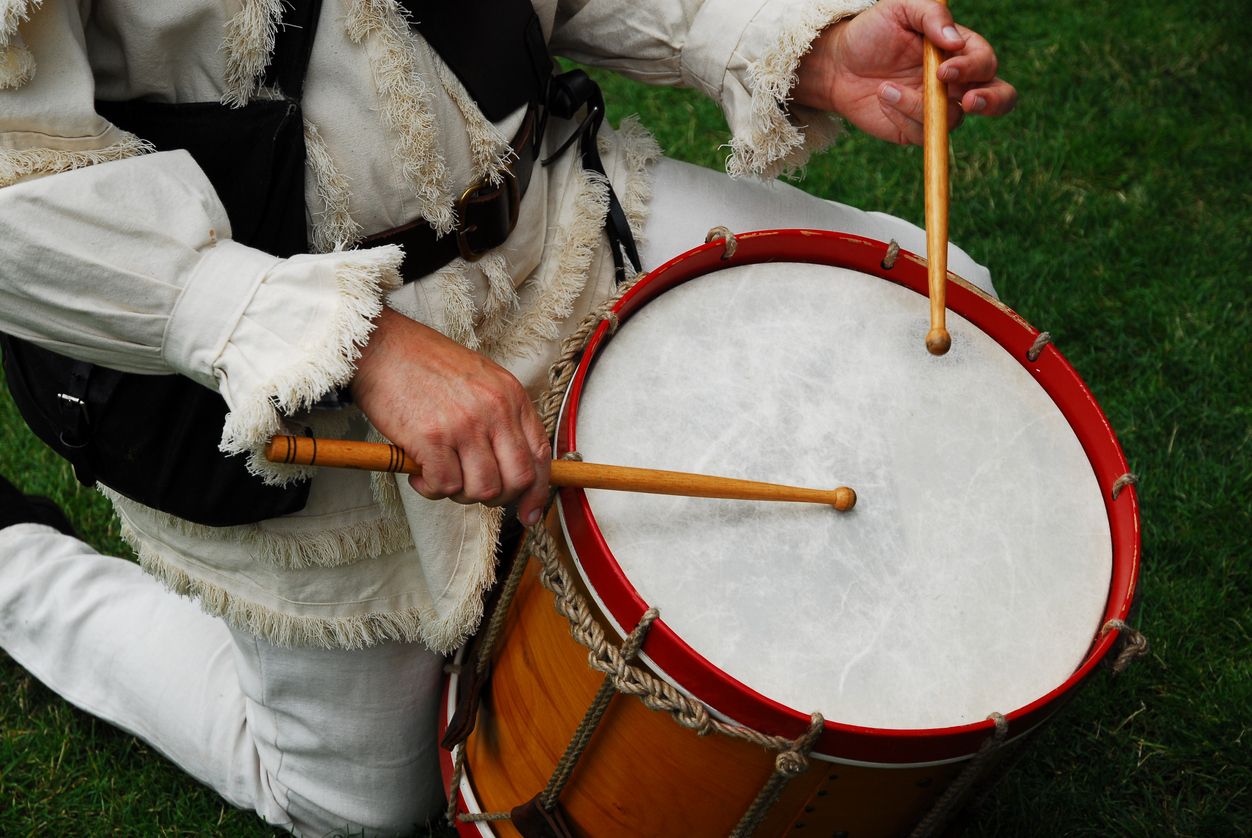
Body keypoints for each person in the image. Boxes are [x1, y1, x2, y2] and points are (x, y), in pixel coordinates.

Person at [0, 0, 1015, 834]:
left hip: (552, 239)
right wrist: (362, 344)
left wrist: (791, 42)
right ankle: (17, 565)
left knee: (941, 316)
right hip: (278, 366)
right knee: (353, 806)